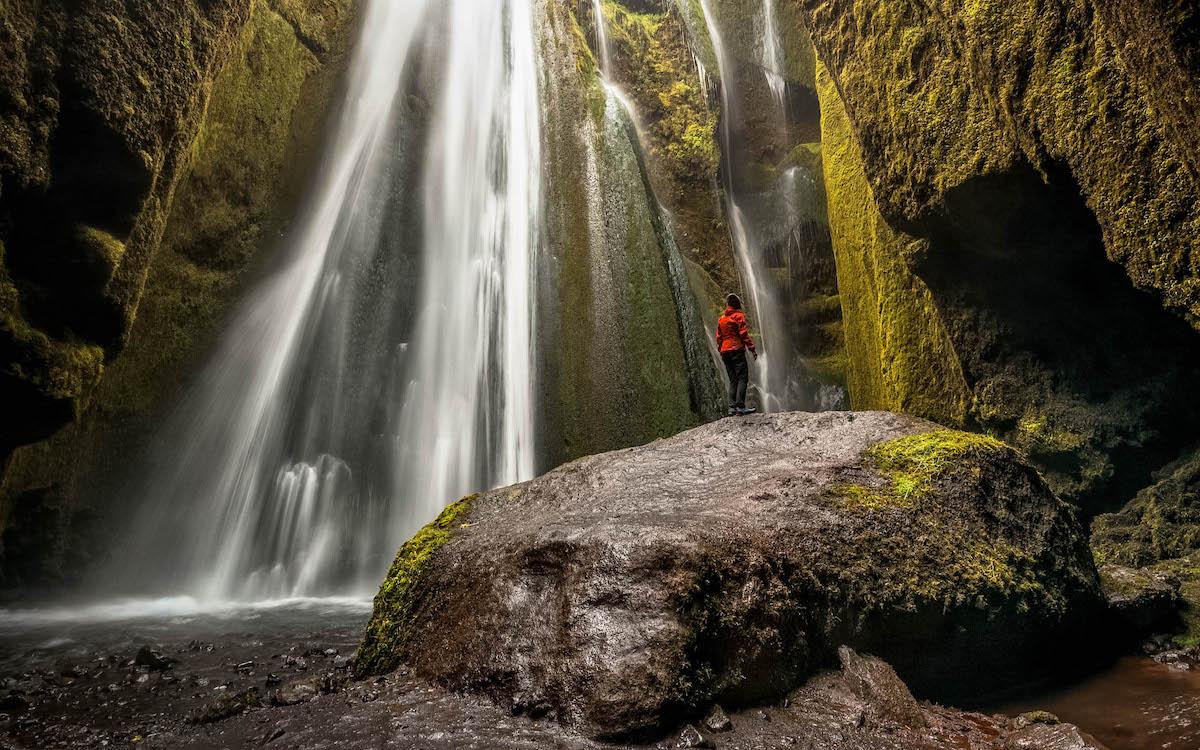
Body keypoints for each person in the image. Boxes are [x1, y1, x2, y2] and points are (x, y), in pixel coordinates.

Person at [715, 293, 757, 416]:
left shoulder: (721, 319)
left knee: (733, 380)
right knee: (742, 378)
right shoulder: (738, 316)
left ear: (728, 304)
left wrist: (721, 349)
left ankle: (732, 407)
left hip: (725, 352)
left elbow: (718, 337)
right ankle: (740, 407)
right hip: (736, 349)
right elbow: (743, 334)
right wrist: (752, 349)